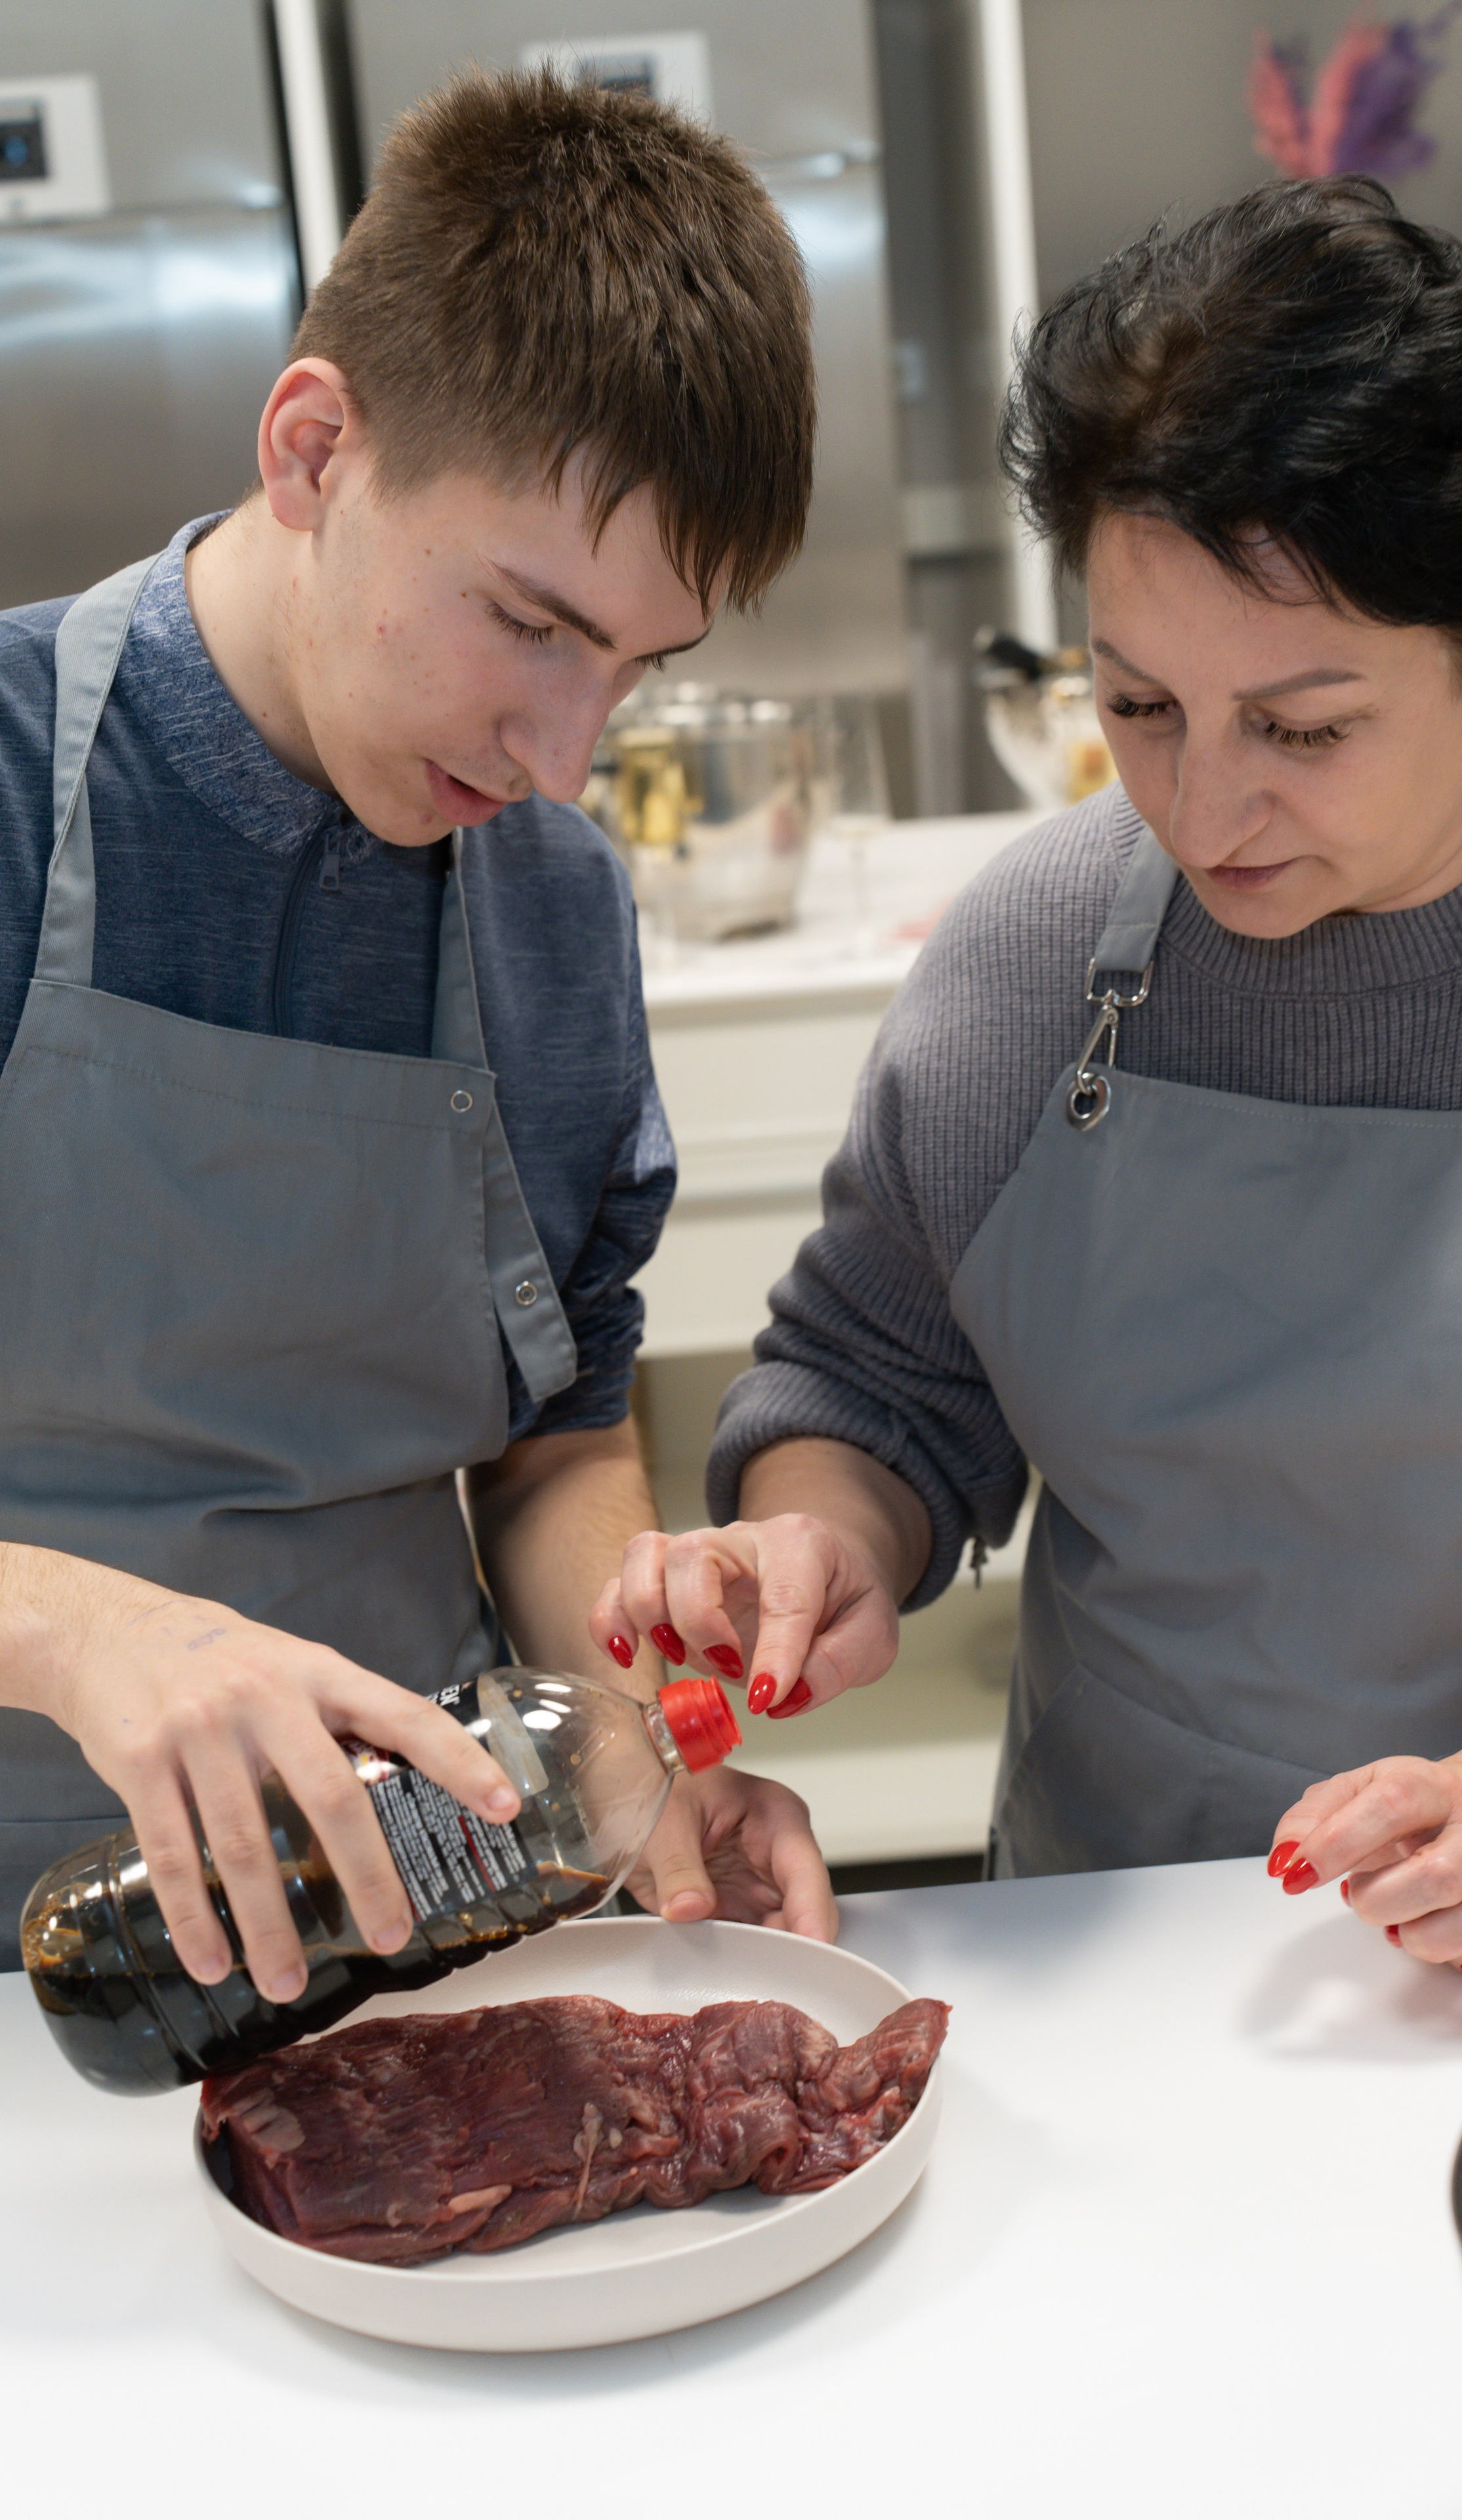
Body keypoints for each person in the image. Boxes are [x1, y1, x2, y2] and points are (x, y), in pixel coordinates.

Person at [593, 177, 1462, 1998]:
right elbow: (875, 1376)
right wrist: (817, 1537)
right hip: (1122, 1951)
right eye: (1140, 705)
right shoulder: (1038, 949)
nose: (1200, 811)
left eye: (1305, 727)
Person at [0, 66, 837, 1988]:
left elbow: (546, 1447)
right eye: (531, 624)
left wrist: (630, 1772)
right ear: (313, 450)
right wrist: (76, 1631)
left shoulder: (545, 895)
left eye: (636, 665)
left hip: (411, 1937)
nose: (569, 755)